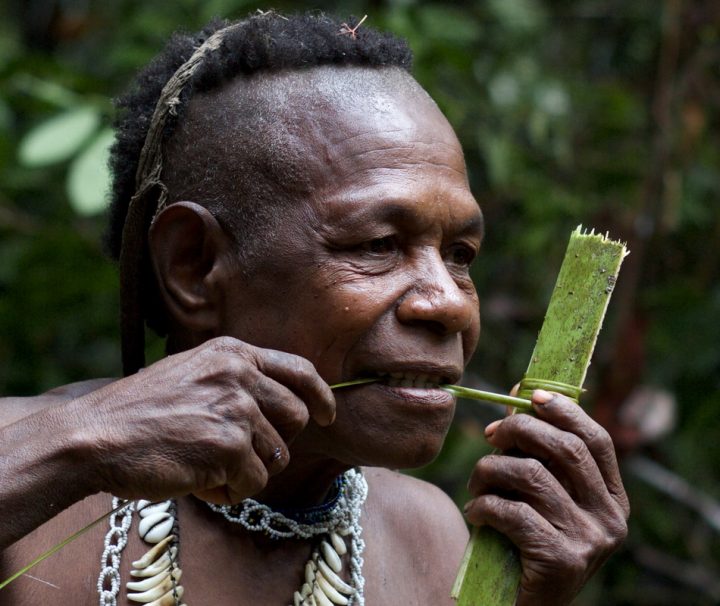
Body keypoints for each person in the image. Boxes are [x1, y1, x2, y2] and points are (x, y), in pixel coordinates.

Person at [0, 12, 629, 606]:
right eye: (379, 246)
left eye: (460, 254)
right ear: (193, 267)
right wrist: (81, 448)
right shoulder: (29, 458)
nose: (450, 305)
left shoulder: (435, 541)